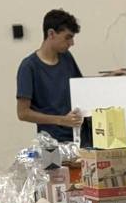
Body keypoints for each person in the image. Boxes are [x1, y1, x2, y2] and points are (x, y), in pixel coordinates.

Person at [16, 9, 84, 141]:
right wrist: (61, 120)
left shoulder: (67, 57)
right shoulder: (29, 67)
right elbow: (23, 113)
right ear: (51, 33)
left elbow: (81, 87)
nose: (72, 43)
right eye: (67, 37)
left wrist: (109, 79)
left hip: (79, 136)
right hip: (52, 142)